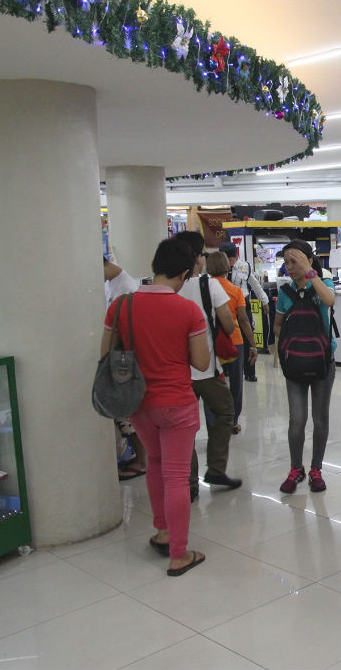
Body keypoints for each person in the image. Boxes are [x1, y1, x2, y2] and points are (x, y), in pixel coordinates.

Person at [101, 239, 210, 576]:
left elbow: (105, 354)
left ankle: (163, 532)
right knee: (177, 476)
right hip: (177, 403)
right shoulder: (188, 310)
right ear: (184, 273)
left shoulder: (120, 306)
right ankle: (179, 554)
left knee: (156, 466)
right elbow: (203, 363)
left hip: (138, 403)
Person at [174, 232, 242, 499]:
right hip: (207, 368)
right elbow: (228, 323)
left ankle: (189, 483)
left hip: (178, 372)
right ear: (197, 258)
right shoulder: (209, 285)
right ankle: (215, 468)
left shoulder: (169, 288)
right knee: (224, 412)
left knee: (184, 427)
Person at [274, 239, 337, 494]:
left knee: (320, 418)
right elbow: (277, 325)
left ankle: (316, 469)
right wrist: (286, 346)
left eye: (295, 260)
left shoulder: (324, 283)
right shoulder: (285, 293)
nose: (289, 266)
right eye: (286, 262)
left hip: (323, 361)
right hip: (295, 363)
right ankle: (295, 467)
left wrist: (310, 274)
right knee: (296, 419)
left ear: (309, 261)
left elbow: (329, 300)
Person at [103, 257, 146, 480]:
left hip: (125, 360)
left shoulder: (126, 288)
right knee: (124, 414)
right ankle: (140, 457)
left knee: (128, 414)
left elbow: (121, 330)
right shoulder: (112, 284)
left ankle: (142, 459)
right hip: (122, 359)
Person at [206, 252, 258, 434]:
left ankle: (213, 422)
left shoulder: (204, 288)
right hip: (234, 340)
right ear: (227, 268)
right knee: (236, 382)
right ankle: (233, 420)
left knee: (211, 383)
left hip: (209, 342)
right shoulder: (236, 291)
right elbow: (243, 320)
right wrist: (252, 344)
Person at [220, 242, 269, 383]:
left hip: (242, 304)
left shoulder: (244, 266)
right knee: (226, 336)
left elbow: (255, 284)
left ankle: (249, 371)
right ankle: (227, 367)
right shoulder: (218, 267)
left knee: (247, 336)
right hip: (224, 305)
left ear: (234, 257)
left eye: (229, 260)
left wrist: (264, 301)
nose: (227, 263)